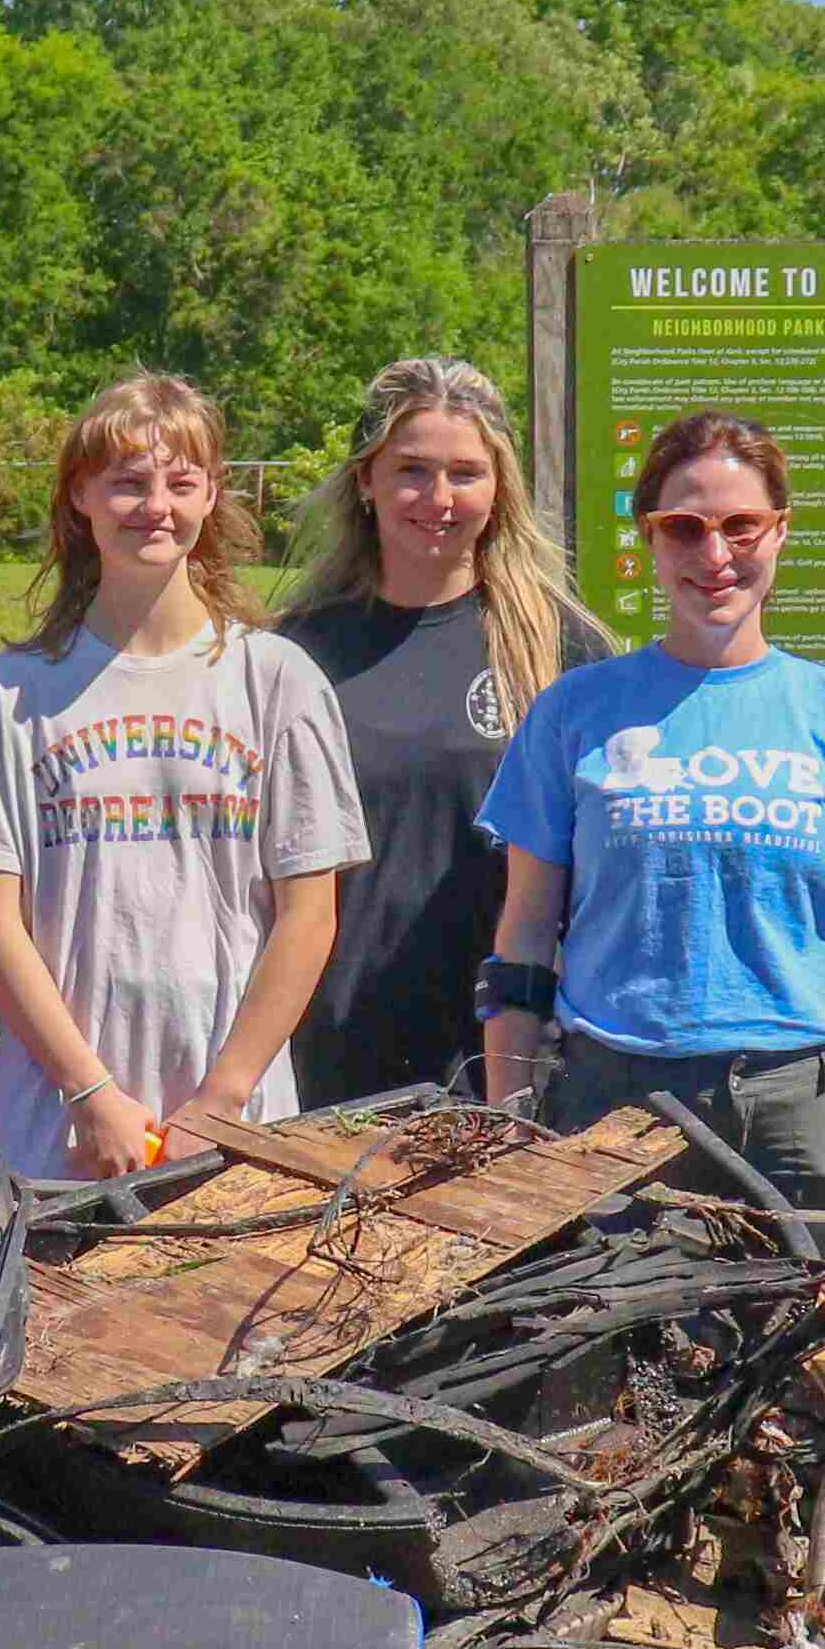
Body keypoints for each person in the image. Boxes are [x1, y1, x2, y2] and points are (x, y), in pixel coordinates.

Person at [474, 410, 825, 1209]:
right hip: (615, 1101)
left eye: (742, 526)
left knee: (807, 1330)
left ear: (781, 532)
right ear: (649, 538)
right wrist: (509, 1116)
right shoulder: (574, 712)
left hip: (807, 1104)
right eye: (685, 528)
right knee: (611, 1330)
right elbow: (523, 934)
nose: (715, 555)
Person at [0, 375, 369, 1184]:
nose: (155, 507)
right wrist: (88, 1089)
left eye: (181, 483)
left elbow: (307, 914)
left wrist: (224, 1097)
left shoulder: (276, 679)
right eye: (128, 484)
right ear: (81, 495)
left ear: (212, 494)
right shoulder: (15, 690)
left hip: (235, 1122)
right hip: (58, 1124)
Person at [274, 357, 611, 1103]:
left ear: (500, 488)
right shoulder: (295, 653)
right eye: (411, 471)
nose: (439, 497)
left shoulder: (563, 649)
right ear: (365, 480)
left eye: (465, 473)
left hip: (512, 1048)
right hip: (333, 1044)